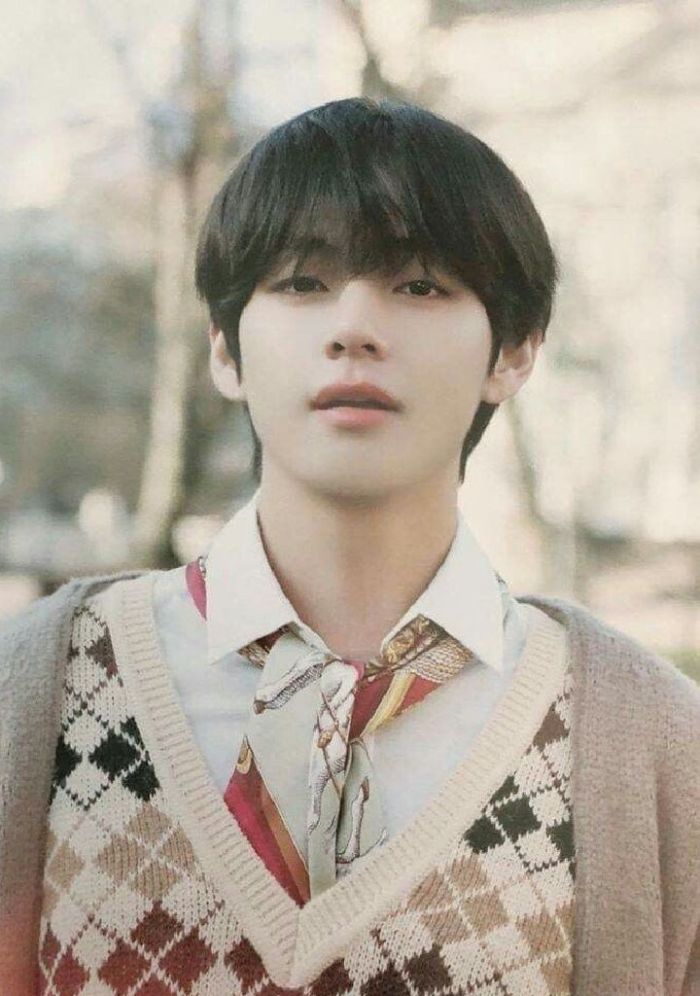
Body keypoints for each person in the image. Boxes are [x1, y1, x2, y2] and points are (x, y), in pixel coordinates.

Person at [1, 97, 698, 996]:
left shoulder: (649, 743)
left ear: (515, 352)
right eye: (301, 283)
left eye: (421, 286)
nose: (354, 329)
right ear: (225, 349)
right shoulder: (38, 691)